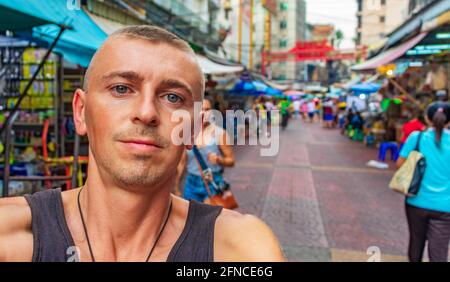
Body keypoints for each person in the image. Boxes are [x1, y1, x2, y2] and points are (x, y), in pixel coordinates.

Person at [0, 25, 285, 262]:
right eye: (121, 89)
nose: (147, 112)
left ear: (193, 128)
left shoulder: (241, 252)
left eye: (173, 97)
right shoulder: (10, 237)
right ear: (80, 112)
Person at [397, 101, 450, 262]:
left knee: (416, 243)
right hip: (446, 206)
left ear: (427, 118)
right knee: (439, 251)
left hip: (416, 201)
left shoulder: (417, 137)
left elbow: (400, 164)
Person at [176, 98, 235, 203]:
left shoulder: (220, 133)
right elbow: (182, 163)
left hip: (212, 181)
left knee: (210, 218)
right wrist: (176, 186)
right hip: (191, 183)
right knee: (190, 217)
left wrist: (219, 160)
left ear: (212, 112)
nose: (203, 112)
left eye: (207, 109)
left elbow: (231, 161)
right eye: (200, 109)